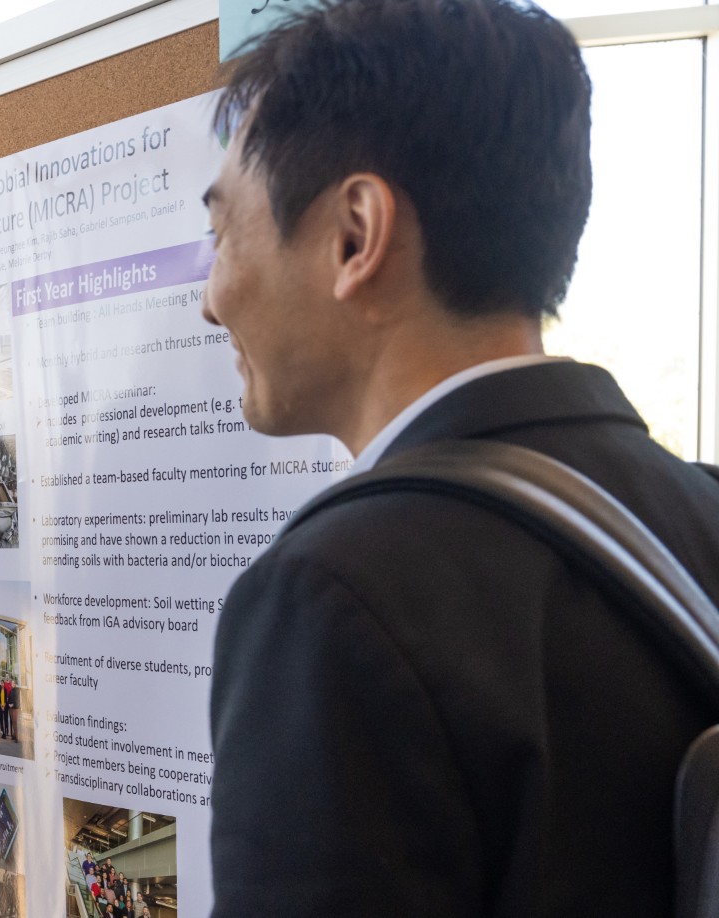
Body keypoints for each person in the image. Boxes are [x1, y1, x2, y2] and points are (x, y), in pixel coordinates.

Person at [201, 1, 719, 914]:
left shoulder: (332, 595)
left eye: (220, 234)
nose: (211, 300)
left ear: (355, 235)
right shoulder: (699, 511)